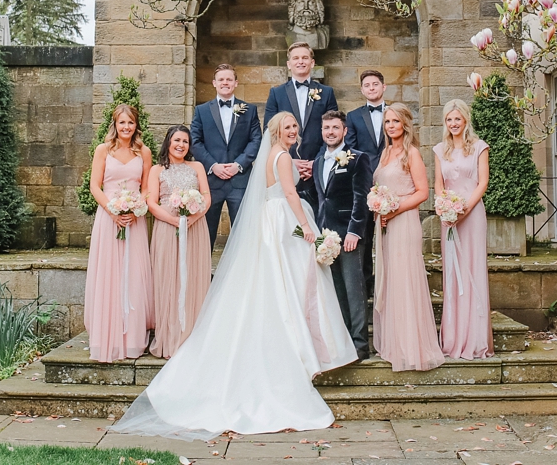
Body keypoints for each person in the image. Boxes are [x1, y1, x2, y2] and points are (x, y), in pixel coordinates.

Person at [111, 111, 356, 439]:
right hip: (284, 219)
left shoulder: (272, 154)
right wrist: (306, 228)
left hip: (271, 220)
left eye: (295, 127)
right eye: (288, 127)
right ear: (277, 131)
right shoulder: (283, 157)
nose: (293, 131)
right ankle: (301, 349)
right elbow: (291, 193)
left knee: (280, 283)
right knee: (294, 284)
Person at [371, 103, 445, 372]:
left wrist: (393, 208)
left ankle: (411, 348)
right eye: (387, 121)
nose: (391, 126)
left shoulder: (411, 153)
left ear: (405, 124)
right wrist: (380, 207)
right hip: (386, 225)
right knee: (390, 281)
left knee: (404, 281)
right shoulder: (385, 153)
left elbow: (423, 192)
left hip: (404, 222)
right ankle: (393, 345)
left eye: (395, 121)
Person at [85, 104, 154, 362]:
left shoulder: (144, 152)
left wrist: (138, 209)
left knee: (133, 275)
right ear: (115, 124)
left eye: (131, 123)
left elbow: (146, 187)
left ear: (137, 125)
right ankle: (107, 338)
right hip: (109, 218)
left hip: (134, 221)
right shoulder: (104, 150)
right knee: (109, 275)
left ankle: (133, 339)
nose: (126, 127)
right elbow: (95, 185)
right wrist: (112, 211)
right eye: (122, 123)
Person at [434, 99, 493, 359]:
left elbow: (482, 183)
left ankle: (475, 339)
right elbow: (438, 184)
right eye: (449, 119)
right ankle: (454, 338)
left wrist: (463, 210)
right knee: (453, 273)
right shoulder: (439, 150)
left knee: (473, 268)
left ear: (465, 120)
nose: (453, 123)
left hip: (471, 214)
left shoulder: (480, 147)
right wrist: (445, 209)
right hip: (448, 218)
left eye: (457, 119)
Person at [146, 125, 213, 358]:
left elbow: (206, 196)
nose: (181, 145)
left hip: (195, 227)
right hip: (167, 227)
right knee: (167, 278)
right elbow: (152, 203)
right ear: (168, 142)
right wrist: (174, 222)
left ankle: (192, 336)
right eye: (177, 140)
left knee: (194, 276)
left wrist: (192, 218)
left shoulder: (197, 167)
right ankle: (170, 337)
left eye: (185, 141)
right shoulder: (156, 170)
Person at [312, 110, 373, 360]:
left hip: (349, 236)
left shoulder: (358, 159)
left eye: (335, 128)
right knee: (336, 290)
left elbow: (362, 198)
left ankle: (360, 345)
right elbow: (320, 199)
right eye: (326, 128)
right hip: (326, 236)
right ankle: (345, 342)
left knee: (354, 289)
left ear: (345, 131)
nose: (330, 132)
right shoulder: (318, 162)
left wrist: (354, 232)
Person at [190, 63, 262, 249]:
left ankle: (242, 274)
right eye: (221, 79)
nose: (225, 83)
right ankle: (204, 274)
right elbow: (195, 142)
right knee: (207, 230)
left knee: (244, 231)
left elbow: (256, 141)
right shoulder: (202, 111)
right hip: (211, 181)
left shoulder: (249, 110)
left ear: (236, 83)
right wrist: (213, 165)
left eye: (229, 79)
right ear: (214, 83)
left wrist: (238, 165)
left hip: (240, 180)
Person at [264, 42, 338, 211]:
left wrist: (316, 162)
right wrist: (288, 161)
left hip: (317, 169)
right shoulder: (276, 93)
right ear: (289, 64)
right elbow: (270, 132)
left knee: (318, 222)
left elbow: (333, 132)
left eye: (305, 57)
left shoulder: (327, 93)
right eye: (295, 58)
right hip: (285, 169)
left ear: (312, 63)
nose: (300, 61)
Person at [344, 69, 387, 295]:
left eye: (375, 84)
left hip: (392, 181)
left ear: (383, 87)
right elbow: (351, 149)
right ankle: (366, 284)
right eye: (367, 85)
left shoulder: (395, 112)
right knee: (366, 234)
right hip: (365, 183)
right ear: (362, 90)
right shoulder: (353, 117)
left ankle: (389, 283)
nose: (371, 88)